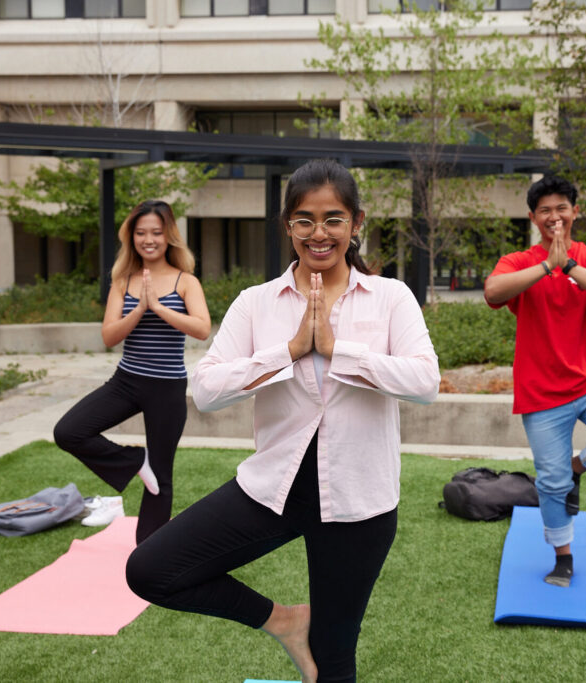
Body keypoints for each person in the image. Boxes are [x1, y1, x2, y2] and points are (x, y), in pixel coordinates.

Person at [125, 159, 440, 683]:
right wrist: (289, 351)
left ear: (356, 223)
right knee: (151, 570)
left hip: (359, 501)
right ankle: (285, 621)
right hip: (273, 488)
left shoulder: (391, 297)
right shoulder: (257, 304)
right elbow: (205, 389)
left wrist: (340, 351)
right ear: (288, 226)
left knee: (334, 658)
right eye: (305, 220)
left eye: (333, 219)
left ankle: (315, 637)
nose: (320, 234)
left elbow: (424, 382)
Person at [483, 175, 586, 588]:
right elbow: (493, 292)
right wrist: (546, 266)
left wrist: (571, 266)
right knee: (551, 483)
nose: (554, 216)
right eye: (545, 210)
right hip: (541, 393)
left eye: (562, 208)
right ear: (533, 218)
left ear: (575, 212)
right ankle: (563, 557)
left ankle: (577, 467)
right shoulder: (519, 261)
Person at [53, 199, 211, 545]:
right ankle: (135, 459)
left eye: (156, 232)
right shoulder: (122, 280)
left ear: (169, 236)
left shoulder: (186, 281)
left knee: (161, 477)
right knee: (68, 431)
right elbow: (109, 336)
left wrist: (158, 307)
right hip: (126, 381)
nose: (148, 239)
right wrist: (139, 309)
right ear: (132, 237)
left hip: (167, 387)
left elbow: (202, 328)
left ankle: (148, 553)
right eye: (141, 233)